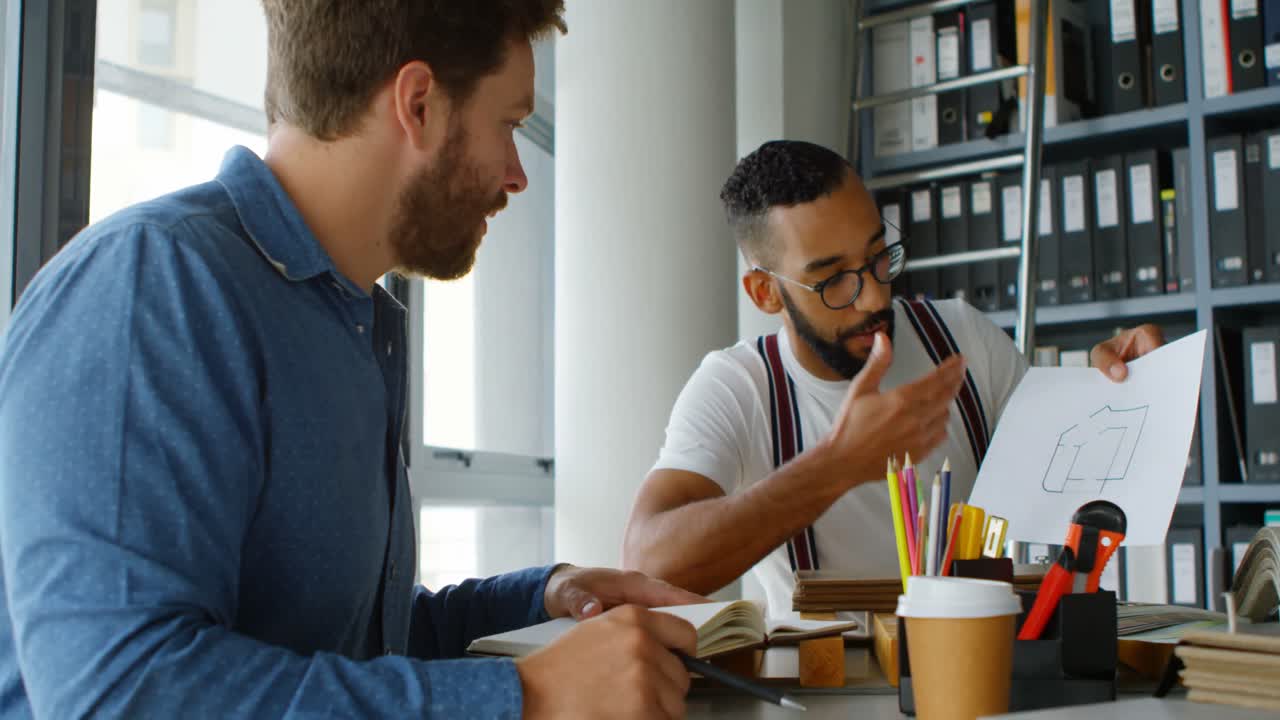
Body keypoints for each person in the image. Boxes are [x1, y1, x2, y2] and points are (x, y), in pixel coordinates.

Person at [0, 3, 706, 718]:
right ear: (419, 104)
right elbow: (119, 694)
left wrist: (540, 597)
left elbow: (345, 651)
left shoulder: (347, 319)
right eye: (510, 125)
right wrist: (524, 696)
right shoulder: (154, 286)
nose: (518, 175)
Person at [622, 140, 1164, 613]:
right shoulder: (738, 388)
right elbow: (648, 563)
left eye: (880, 256)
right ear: (766, 293)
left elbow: (1075, 476)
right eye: (834, 281)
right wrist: (835, 467)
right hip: (823, 695)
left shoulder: (960, 337)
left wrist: (1126, 387)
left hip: (973, 674)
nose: (877, 297)